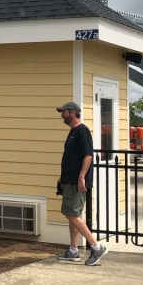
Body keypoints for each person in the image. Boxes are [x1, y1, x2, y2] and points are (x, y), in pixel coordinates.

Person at [55, 102, 108, 265]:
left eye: (63, 112)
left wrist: (81, 177)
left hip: (76, 182)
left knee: (71, 213)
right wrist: (62, 177)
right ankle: (73, 250)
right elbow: (72, 158)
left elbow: (88, 155)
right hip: (69, 180)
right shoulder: (73, 131)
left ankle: (96, 246)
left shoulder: (82, 131)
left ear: (72, 113)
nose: (61, 115)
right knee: (73, 214)